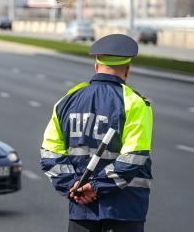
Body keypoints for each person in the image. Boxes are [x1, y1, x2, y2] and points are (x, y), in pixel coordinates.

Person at [40, 34, 153, 232]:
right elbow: (134, 157)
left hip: (81, 208)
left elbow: (50, 154)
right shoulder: (135, 103)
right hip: (124, 210)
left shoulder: (66, 101)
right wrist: (96, 187)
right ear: (126, 70)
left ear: (96, 66)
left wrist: (73, 187)